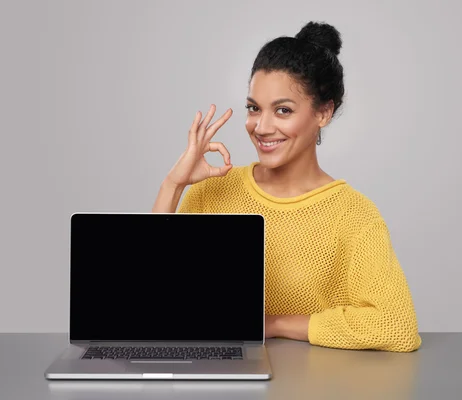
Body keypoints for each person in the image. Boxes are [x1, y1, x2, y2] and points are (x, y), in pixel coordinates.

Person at [151, 21, 421, 352]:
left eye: (283, 110)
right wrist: (172, 185)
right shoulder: (213, 191)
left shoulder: (354, 214)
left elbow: (397, 327)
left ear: (323, 112)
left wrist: (275, 323)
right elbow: (154, 300)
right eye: (254, 108)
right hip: (221, 379)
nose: (261, 127)